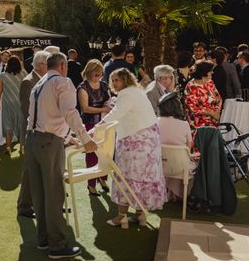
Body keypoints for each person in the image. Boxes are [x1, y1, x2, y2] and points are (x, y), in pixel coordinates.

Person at [25, 52, 97, 259]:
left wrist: (67, 137)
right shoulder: (63, 82)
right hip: (48, 143)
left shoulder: (38, 84)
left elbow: (39, 116)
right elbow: (70, 112)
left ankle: (44, 239)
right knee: (55, 193)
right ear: (63, 65)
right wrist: (85, 138)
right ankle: (56, 245)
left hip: (32, 140)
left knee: (39, 194)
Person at [100, 68, 167, 227]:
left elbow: (116, 113)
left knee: (126, 176)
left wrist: (97, 127)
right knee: (142, 178)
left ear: (126, 80)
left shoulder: (127, 94)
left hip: (136, 142)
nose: (115, 83)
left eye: (117, 80)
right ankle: (140, 215)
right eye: (113, 80)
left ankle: (121, 216)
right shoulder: (136, 92)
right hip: (148, 142)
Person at [17, 50, 49, 218]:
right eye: (48, 63)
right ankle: (24, 207)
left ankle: (37, 205)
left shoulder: (42, 80)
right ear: (40, 65)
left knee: (36, 172)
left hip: (42, 133)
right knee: (29, 172)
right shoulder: (28, 82)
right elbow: (25, 109)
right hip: (32, 133)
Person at [77, 59, 111, 195]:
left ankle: (103, 178)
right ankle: (91, 184)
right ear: (89, 73)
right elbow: (85, 108)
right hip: (90, 123)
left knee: (105, 153)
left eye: (100, 74)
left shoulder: (103, 85)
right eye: (96, 74)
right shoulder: (83, 87)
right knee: (92, 155)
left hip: (104, 122)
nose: (98, 77)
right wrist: (103, 109)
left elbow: (109, 100)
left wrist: (108, 107)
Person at [157, 92, 197, 201]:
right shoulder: (184, 124)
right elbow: (189, 148)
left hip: (158, 166)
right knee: (191, 161)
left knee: (174, 158)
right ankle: (181, 195)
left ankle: (169, 193)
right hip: (180, 167)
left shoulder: (155, 123)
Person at [0, 55, 27, 154]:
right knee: (22, 123)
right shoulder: (24, 74)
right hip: (21, 102)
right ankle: (22, 147)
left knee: (8, 124)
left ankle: (8, 147)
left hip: (8, 102)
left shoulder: (3, 75)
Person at [184, 61, 222, 130]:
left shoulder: (210, 82)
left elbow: (218, 99)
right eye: (210, 71)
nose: (212, 72)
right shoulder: (191, 86)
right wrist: (211, 113)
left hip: (213, 123)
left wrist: (217, 112)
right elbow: (193, 109)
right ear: (204, 72)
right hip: (198, 125)